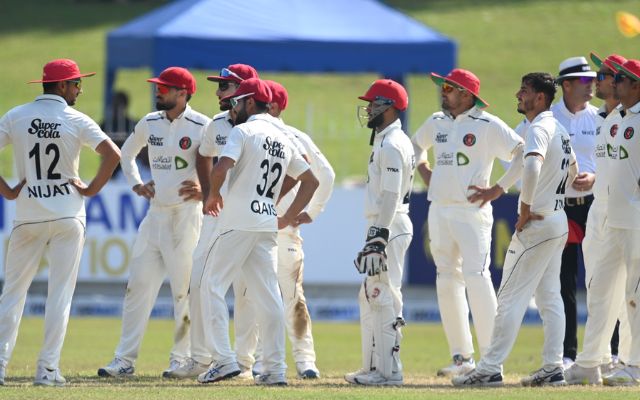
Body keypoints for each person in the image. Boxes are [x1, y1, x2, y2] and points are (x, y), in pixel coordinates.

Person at [0, 58, 120, 386]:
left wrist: (8, 191)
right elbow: (113, 154)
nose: (80, 89)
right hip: (68, 214)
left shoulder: (16, 115)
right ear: (62, 86)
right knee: (60, 295)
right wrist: (92, 189)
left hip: (28, 215)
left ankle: (0, 364)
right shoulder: (75, 118)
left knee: (13, 293)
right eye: (76, 83)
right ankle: (47, 370)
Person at [453, 72, 577, 387]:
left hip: (537, 221)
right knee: (550, 297)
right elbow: (570, 170)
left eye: (524, 91)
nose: (518, 95)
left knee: (509, 296)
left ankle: (490, 368)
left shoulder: (538, 128)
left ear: (540, 98)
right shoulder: (558, 129)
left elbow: (533, 164)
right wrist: (497, 190)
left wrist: (525, 208)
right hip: (557, 220)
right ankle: (552, 367)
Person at [197, 78, 318, 386]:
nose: (232, 107)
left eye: (237, 101)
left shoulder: (243, 130)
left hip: (238, 220)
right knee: (269, 298)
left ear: (251, 103)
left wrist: (212, 195)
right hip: (265, 221)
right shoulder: (282, 136)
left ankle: (224, 361)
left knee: (210, 285)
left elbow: (222, 166)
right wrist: (288, 214)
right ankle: (275, 370)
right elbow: (311, 181)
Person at [97, 67, 210, 378]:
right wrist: (136, 183)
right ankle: (123, 361)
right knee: (137, 288)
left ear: (183, 93)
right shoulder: (149, 122)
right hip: (155, 216)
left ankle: (180, 360)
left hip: (186, 217)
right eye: (159, 87)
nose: (158, 92)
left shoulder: (203, 125)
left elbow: (227, 164)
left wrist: (207, 188)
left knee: (182, 292)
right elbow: (126, 154)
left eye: (165, 88)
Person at [412, 68, 524, 377]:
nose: (443, 92)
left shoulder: (487, 125)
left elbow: (522, 153)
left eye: (448, 87)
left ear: (465, 94)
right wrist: (424, 171)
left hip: (472, 212)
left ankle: (491, 360)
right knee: (446, 276)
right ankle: (461, 357)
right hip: (440, 209)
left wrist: (498, 189)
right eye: (443, 87)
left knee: (476, 276)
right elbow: (415, 146)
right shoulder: (437, 121)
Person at [232, 79, 335, 380]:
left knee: (251, 297)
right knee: (290, 295)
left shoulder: (260, 133)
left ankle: (247, 364)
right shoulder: (297, 136)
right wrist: (307, 213)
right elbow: (325, 174)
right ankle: (305, 362)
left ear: (271, 105)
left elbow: (324, 175)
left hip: (258, 224)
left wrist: (305, 212)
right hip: (283, 227)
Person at [165, 63, 259, 379]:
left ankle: (244, 362)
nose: (218, 92)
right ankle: (203, 358)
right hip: (218, 217)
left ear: (245, 91)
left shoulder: (264, 126)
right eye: (219, 86)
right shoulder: (217, 123)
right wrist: (209, 194)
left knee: (247, 290)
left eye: (225, 86)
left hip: (249, 218)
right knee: (198, 282)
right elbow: (204, 155)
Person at [564, 53, 630, 385]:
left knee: (629, 291)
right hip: (599, 210)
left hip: (627, 215)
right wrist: (594, 179)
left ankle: (629, 361)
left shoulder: (625, 119)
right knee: (599, 288)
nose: (599, 81)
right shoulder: (607, 118)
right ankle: (595, 360)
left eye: (603, 75)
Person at [343, 79, 414, 386]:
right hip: (385, 225)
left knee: (383, 295)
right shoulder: (386, 141)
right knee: (370, 295)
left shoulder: (393, 144)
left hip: (390, 224)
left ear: (389, 107)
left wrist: (379, 236)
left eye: (373, 103)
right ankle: (374, 368)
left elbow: (391, 194)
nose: (368, 109)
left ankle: (389, 372)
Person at [550, 56, 599, 367]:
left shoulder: (602, 117)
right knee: (564, 282)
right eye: (584, 80)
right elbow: (516, 155)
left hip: (595, 206)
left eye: (592, 79)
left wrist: (595, 177)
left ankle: (609, 352)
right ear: (566, 85)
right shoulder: (548, 118)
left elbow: (613, 164)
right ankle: (568, 354)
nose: (591, 85)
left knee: (600, 281)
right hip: (562, 208)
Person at [596, 59, 640, 386]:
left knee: (635, 293)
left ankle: (635, 365)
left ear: (636, 85)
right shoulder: (619, 118)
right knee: (609, 290)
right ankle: (612, 358)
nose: (615, 84)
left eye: (621, 80)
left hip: (636, 219)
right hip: (615, 218)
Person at [101, 91, 150, 180]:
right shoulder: (105, 125)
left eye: (118, 105)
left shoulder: (133, 124)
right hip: (110, 167)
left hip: (131, 165)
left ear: (125, 106)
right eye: (114, 105)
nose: (115, 108)